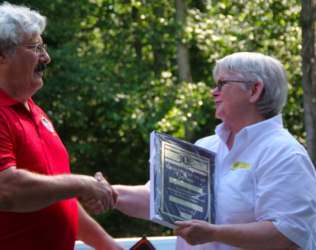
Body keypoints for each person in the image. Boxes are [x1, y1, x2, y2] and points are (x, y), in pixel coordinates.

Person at [0, 3, 124, 250]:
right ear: (0, 53)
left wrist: (109, 246)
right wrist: (83, 184)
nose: (46, 57)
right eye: (36, 48)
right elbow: (5, 191)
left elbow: (56, 197)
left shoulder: (34, 112)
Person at [86, 52, 316, 249]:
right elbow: (160, 200)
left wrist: (213, 233)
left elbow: (287, 234)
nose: (213, 92)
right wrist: (109, 194)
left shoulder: (284, 154)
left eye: (222, 84)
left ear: (254, 90)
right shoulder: (206, 147)